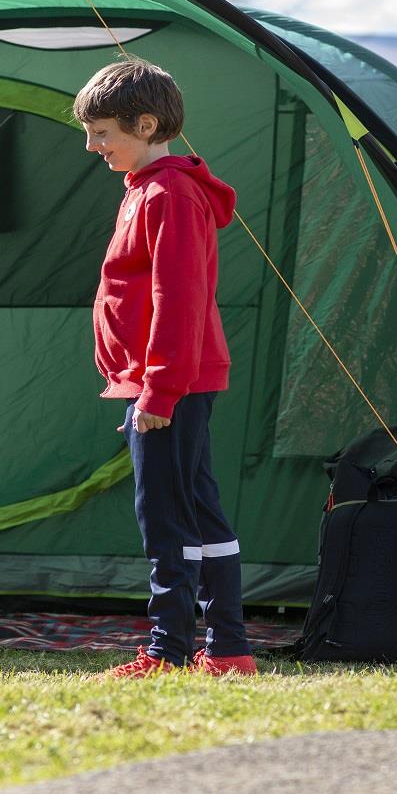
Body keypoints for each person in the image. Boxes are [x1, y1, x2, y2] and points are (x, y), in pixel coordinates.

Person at [75, 59, 254, 678]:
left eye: (102, 133)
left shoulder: (169, 194)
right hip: (166, 382)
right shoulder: (147, 190)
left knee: (165, 514)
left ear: (145, 124)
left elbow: (178, 299)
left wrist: (158, 392)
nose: (92, 146)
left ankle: (166, 649)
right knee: (196, 507)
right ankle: (228, 648)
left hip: (169, 386)